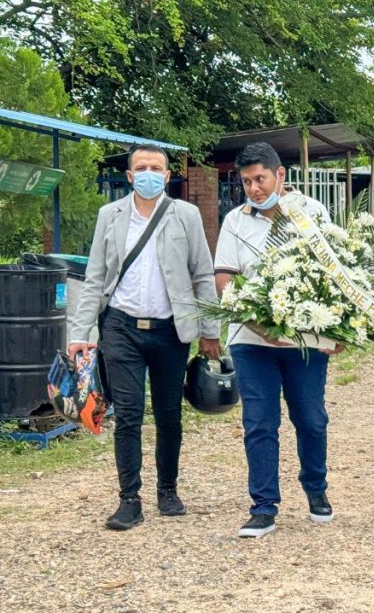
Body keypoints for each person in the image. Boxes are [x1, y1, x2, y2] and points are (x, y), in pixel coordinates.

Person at [68, 144, 221, 531]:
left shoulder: (185, 215)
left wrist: (210, 331)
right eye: (141, 168)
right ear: (130, 175)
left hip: (171, 330)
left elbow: (202, 275)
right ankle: (129, 499)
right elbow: (95, 278)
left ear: (167, 176)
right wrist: (80, 333)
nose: (149, 173)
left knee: (169, 415)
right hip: (121, 329)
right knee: (128, 416)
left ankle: (168, 490)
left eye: (156, 168)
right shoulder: (111, 215)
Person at [214, 142, 343, 539]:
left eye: (261, 179)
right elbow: (224, 277)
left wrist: (336, 329)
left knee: (311, 418)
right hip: (251, 339)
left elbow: (334, 275)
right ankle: (263, 505)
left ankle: (316, 487)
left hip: (305, 341)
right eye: (246, 181)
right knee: (259, 423)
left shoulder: (312, 213)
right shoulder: (235, 221)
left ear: (280, 175)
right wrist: (254, 319)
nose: (254, 188)